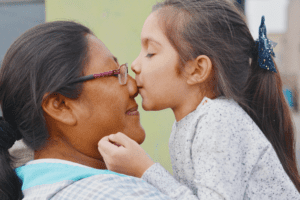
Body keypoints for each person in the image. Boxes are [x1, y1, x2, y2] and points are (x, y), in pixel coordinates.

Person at [98, 0, 300, 199]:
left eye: (150, 52)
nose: (135, 65)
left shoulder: (218, 120)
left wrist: (144, 169)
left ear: (197, 69)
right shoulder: (188, 125)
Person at [0, 21, 171, 200]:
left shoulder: (31, 190)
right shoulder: (113, 193)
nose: (133, 86)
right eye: (115, 74)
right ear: (60, 105)